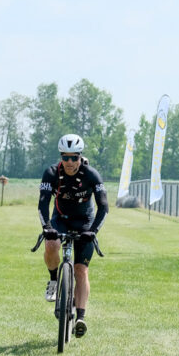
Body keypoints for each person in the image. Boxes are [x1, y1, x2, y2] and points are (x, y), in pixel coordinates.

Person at [38, 133, 108, 338]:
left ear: (80, 157)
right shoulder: (51, 173)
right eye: (65, 157)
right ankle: (53, 280)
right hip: (60, 218)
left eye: (74, 157)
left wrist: (92, 231)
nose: (69, 162)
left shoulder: (91, 175)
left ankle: (80, 318)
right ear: (61, 157)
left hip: (85, 222)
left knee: (81, 270)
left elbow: (104, 207)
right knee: (51, 244)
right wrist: (47, 227)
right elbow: (42, 203)